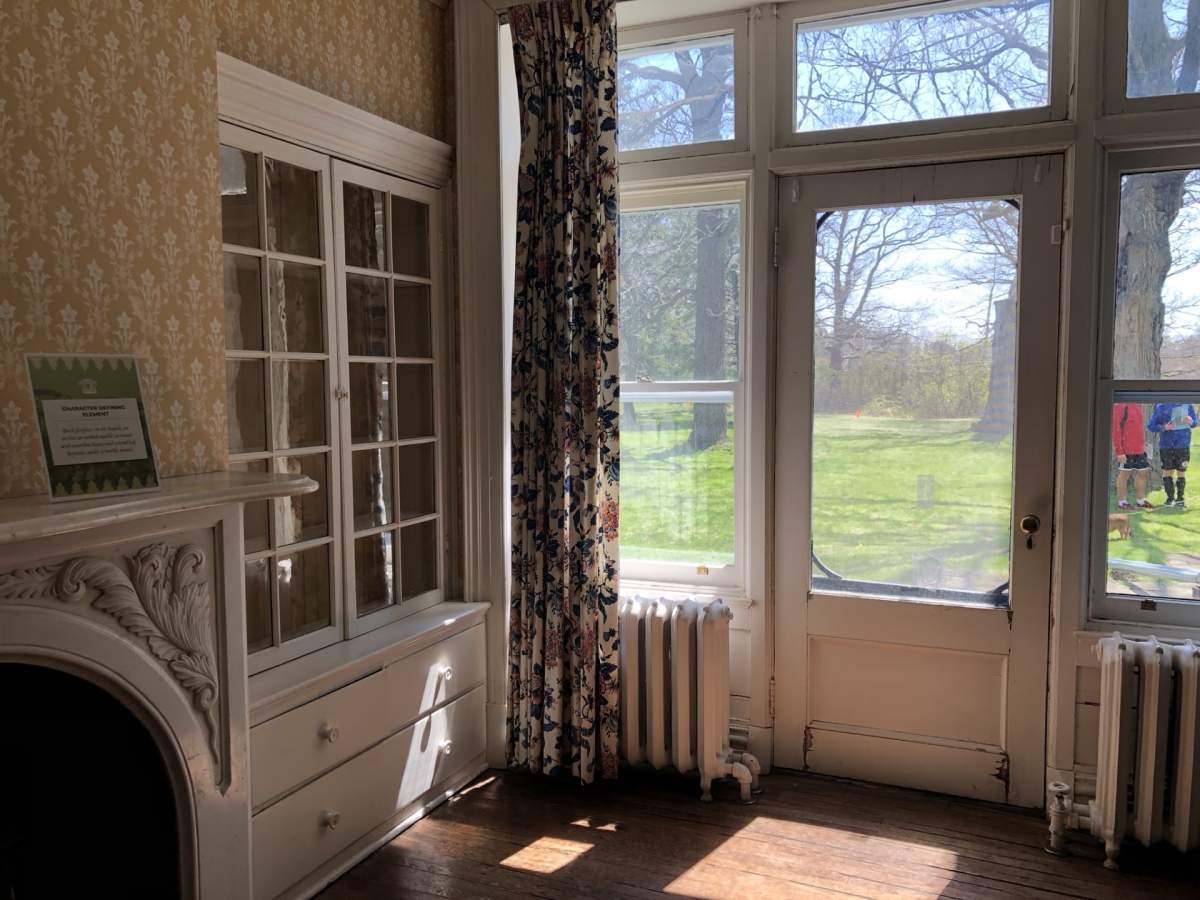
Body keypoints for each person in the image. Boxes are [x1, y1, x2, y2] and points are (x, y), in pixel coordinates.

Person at [1148, 401, 1198, 507]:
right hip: (1166, 445)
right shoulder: (1161, 405)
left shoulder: (1187, 405)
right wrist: (1164, 427)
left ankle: (1180, 499)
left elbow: (1195, 423)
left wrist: (1191, 421)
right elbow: (1151, 426)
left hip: (1183, 444)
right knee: (1167, 471)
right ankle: (1170, 499)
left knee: (1181, 471)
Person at [1112, 402, 1153, 510]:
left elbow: (1137, 427)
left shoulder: (1138, 404)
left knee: (1143, 473)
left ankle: (1140, 501)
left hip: (1139, 449)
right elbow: (1116, 429)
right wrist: (1119, 451)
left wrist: (1143, 445)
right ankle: (1122, 502)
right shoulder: (1120, 405)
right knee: (1124, 475)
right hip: (1126, 449)